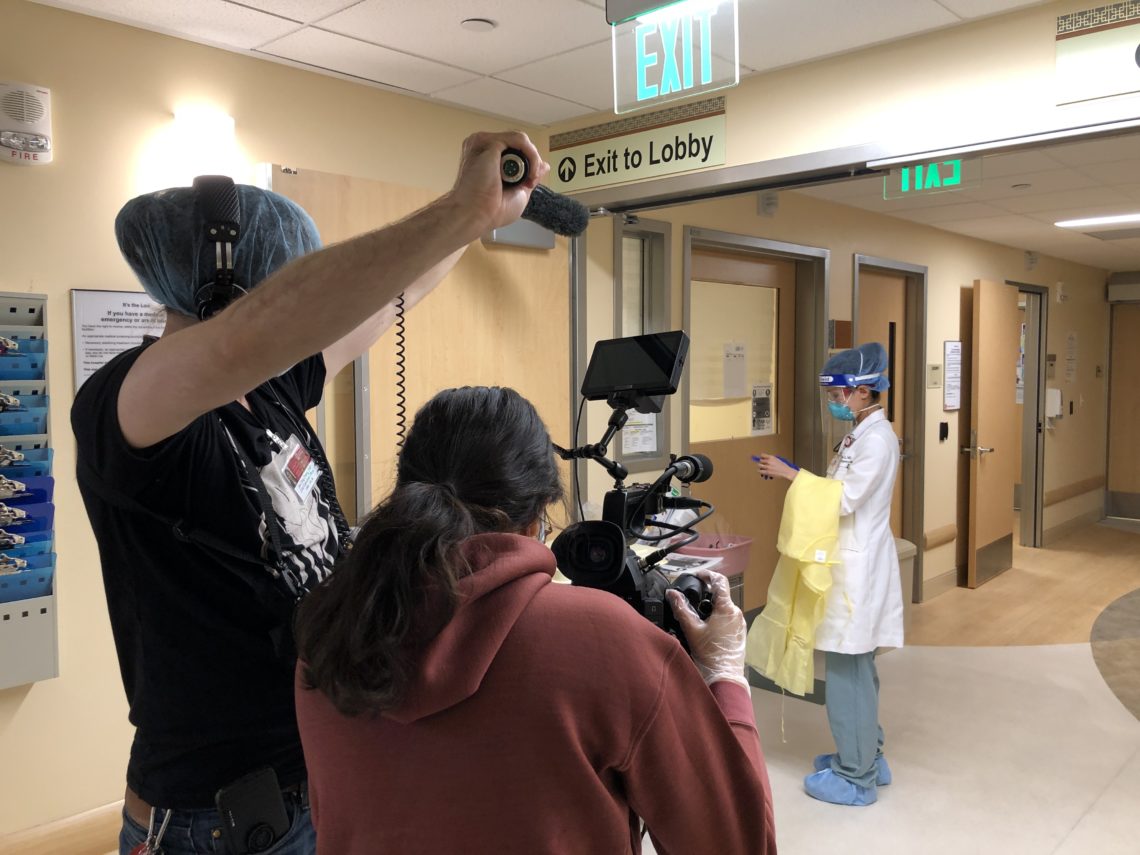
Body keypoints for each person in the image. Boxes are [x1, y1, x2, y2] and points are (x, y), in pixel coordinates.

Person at [72, 131, 549, 855]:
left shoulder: (270, 389)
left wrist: (477, 218)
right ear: (227, 285)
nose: (293, 302)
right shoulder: (129, 407)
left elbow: (394, 291)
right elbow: (240, 342)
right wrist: (456, 211)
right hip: (217, 819)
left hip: (315, 772)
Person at [294, 386, 777, 854]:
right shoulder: (606, 640)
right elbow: (738, 844)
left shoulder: (329, 634)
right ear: (538, 518)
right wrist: (724, 675)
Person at [756, 341, 904, 807]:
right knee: (856, 668)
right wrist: (798, 473)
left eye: (840, 394)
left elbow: (841, 500)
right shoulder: (862, 434)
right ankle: (868, 756)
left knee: (847, 672)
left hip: (857, 570)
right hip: (851, 561)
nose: (834, 403)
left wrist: (791, 477)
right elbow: (838, 487)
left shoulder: (877, 440)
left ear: (864, 391)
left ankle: (855, 776)